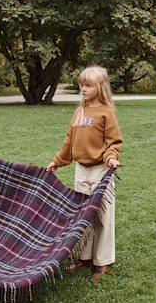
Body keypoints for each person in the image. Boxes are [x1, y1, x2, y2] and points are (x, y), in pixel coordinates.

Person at [46, 65, 122, 281]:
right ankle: (85, 258)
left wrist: (111, 158)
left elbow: (113, 142)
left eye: (89, 85)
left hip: (101, 171)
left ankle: (103, 261)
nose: (84, 89)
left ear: (100, 87)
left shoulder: (107, 112)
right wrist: (58, 162)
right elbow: (70, 142)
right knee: (83, 217)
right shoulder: (79, 112)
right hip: (81, 171)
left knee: (102, 218)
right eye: (82, 85)